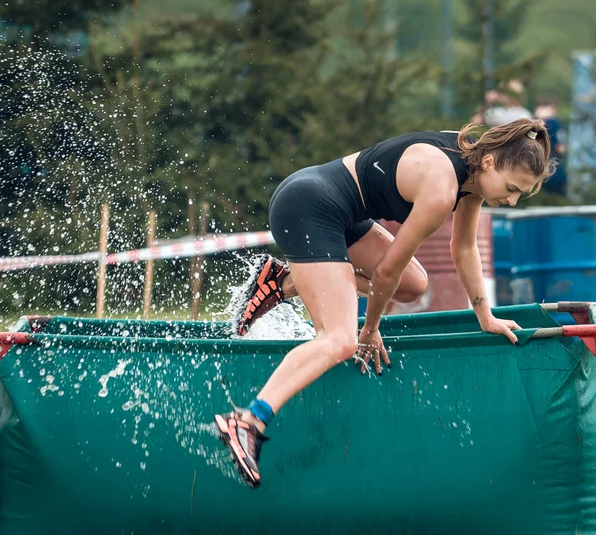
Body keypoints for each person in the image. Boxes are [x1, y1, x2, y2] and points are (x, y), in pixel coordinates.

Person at [215, 118, 556, 487]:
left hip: (343, 214)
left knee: (415, 284)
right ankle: (249, 420)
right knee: (340, 340)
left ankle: (282, 283)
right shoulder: (442, 190)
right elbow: (385, 273)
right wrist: (370, 329)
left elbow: (464, 248)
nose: (512, 200)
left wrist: (485, 316)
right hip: (309, 206)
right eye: (511, 188)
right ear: (490, 162)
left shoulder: (471, 174)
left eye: (521, 194)